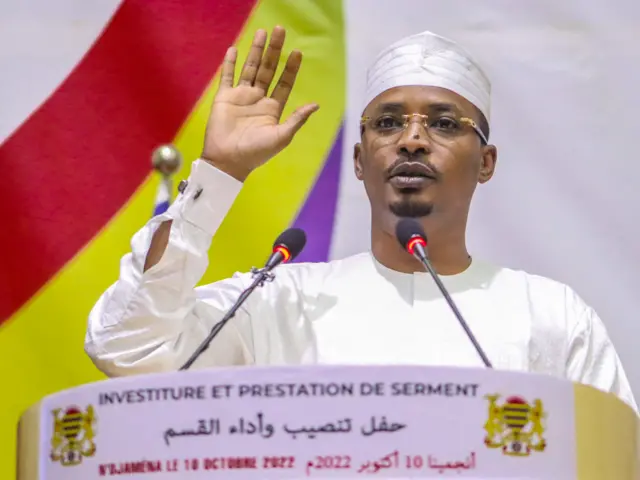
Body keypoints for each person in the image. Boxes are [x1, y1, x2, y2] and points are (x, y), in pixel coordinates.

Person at [84, 26, 637, 412]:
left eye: (444, 124)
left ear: (486, 163)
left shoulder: (551, 314)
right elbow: (128, 350)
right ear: (360, 159)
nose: (413, 139)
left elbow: (613, 454)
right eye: (389, 122)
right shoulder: (281, 300)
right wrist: (218, 173)